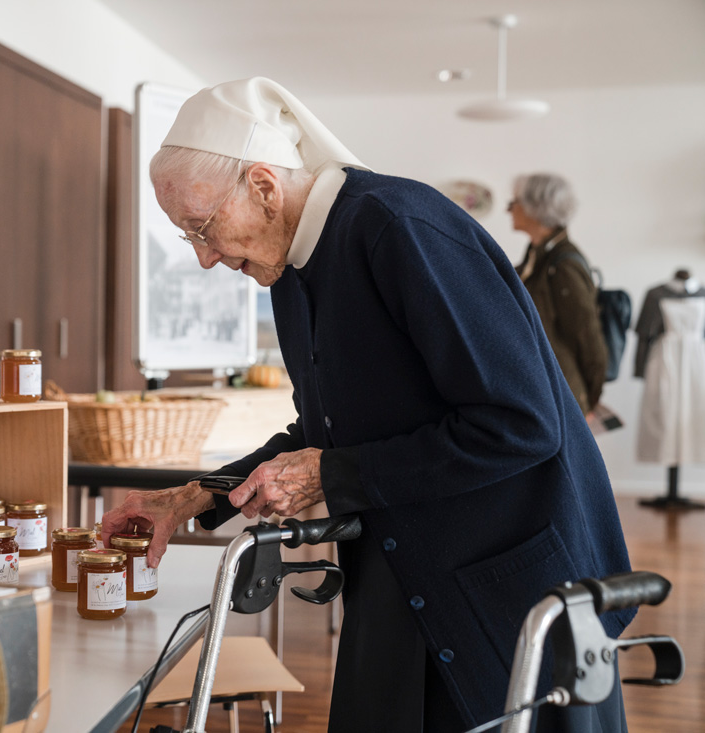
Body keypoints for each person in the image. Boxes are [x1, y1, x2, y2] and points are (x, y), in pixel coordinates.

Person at [101, 78, 634, 731]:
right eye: (189, 237)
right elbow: (326, 432)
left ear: (265, 187)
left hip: (510, 588)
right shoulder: (291, 274)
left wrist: (330, 475)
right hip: (405, 573)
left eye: (203, 227)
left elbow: (520, 424)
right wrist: (194, 496)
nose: (207, 257)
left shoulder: (399, 227)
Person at [511, 173, 607, 416]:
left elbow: (588, 337)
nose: (509, 209)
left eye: (515, 202)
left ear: (537, 207)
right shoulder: (535, 258)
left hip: (562, 397)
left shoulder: (563, 264)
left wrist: (590, 401)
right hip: (539, 390)